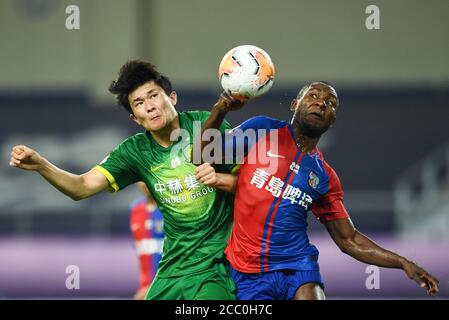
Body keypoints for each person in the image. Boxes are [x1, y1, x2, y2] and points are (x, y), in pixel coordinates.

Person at [9, 60, 242, 300]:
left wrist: (219, 178)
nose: (149, 107)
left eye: (153, 96)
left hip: (215, 268)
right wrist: (41, 165)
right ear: (135, 119)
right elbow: (81, 187)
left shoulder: (207, 125)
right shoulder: (134, 151)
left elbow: (249, 184)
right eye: (139, 103)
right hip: (171, 273)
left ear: (172, 97)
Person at [195, 81, 440, 299]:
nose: (321, 103)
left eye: (329, 103)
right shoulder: (262, 130)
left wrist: (403, 263)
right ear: (294, 104)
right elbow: (202, 154)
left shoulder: (325, 177)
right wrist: (221, 109)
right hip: (248, 271)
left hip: (298, 265)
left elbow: (349, 239)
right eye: (312, 96)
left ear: (332, 120)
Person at [130, 181, 164, 300]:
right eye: (140, 177)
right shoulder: (135, 209)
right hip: (144, 287)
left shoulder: (171, 208)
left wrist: (154, 287)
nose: (144, 182)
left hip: (168, 285)